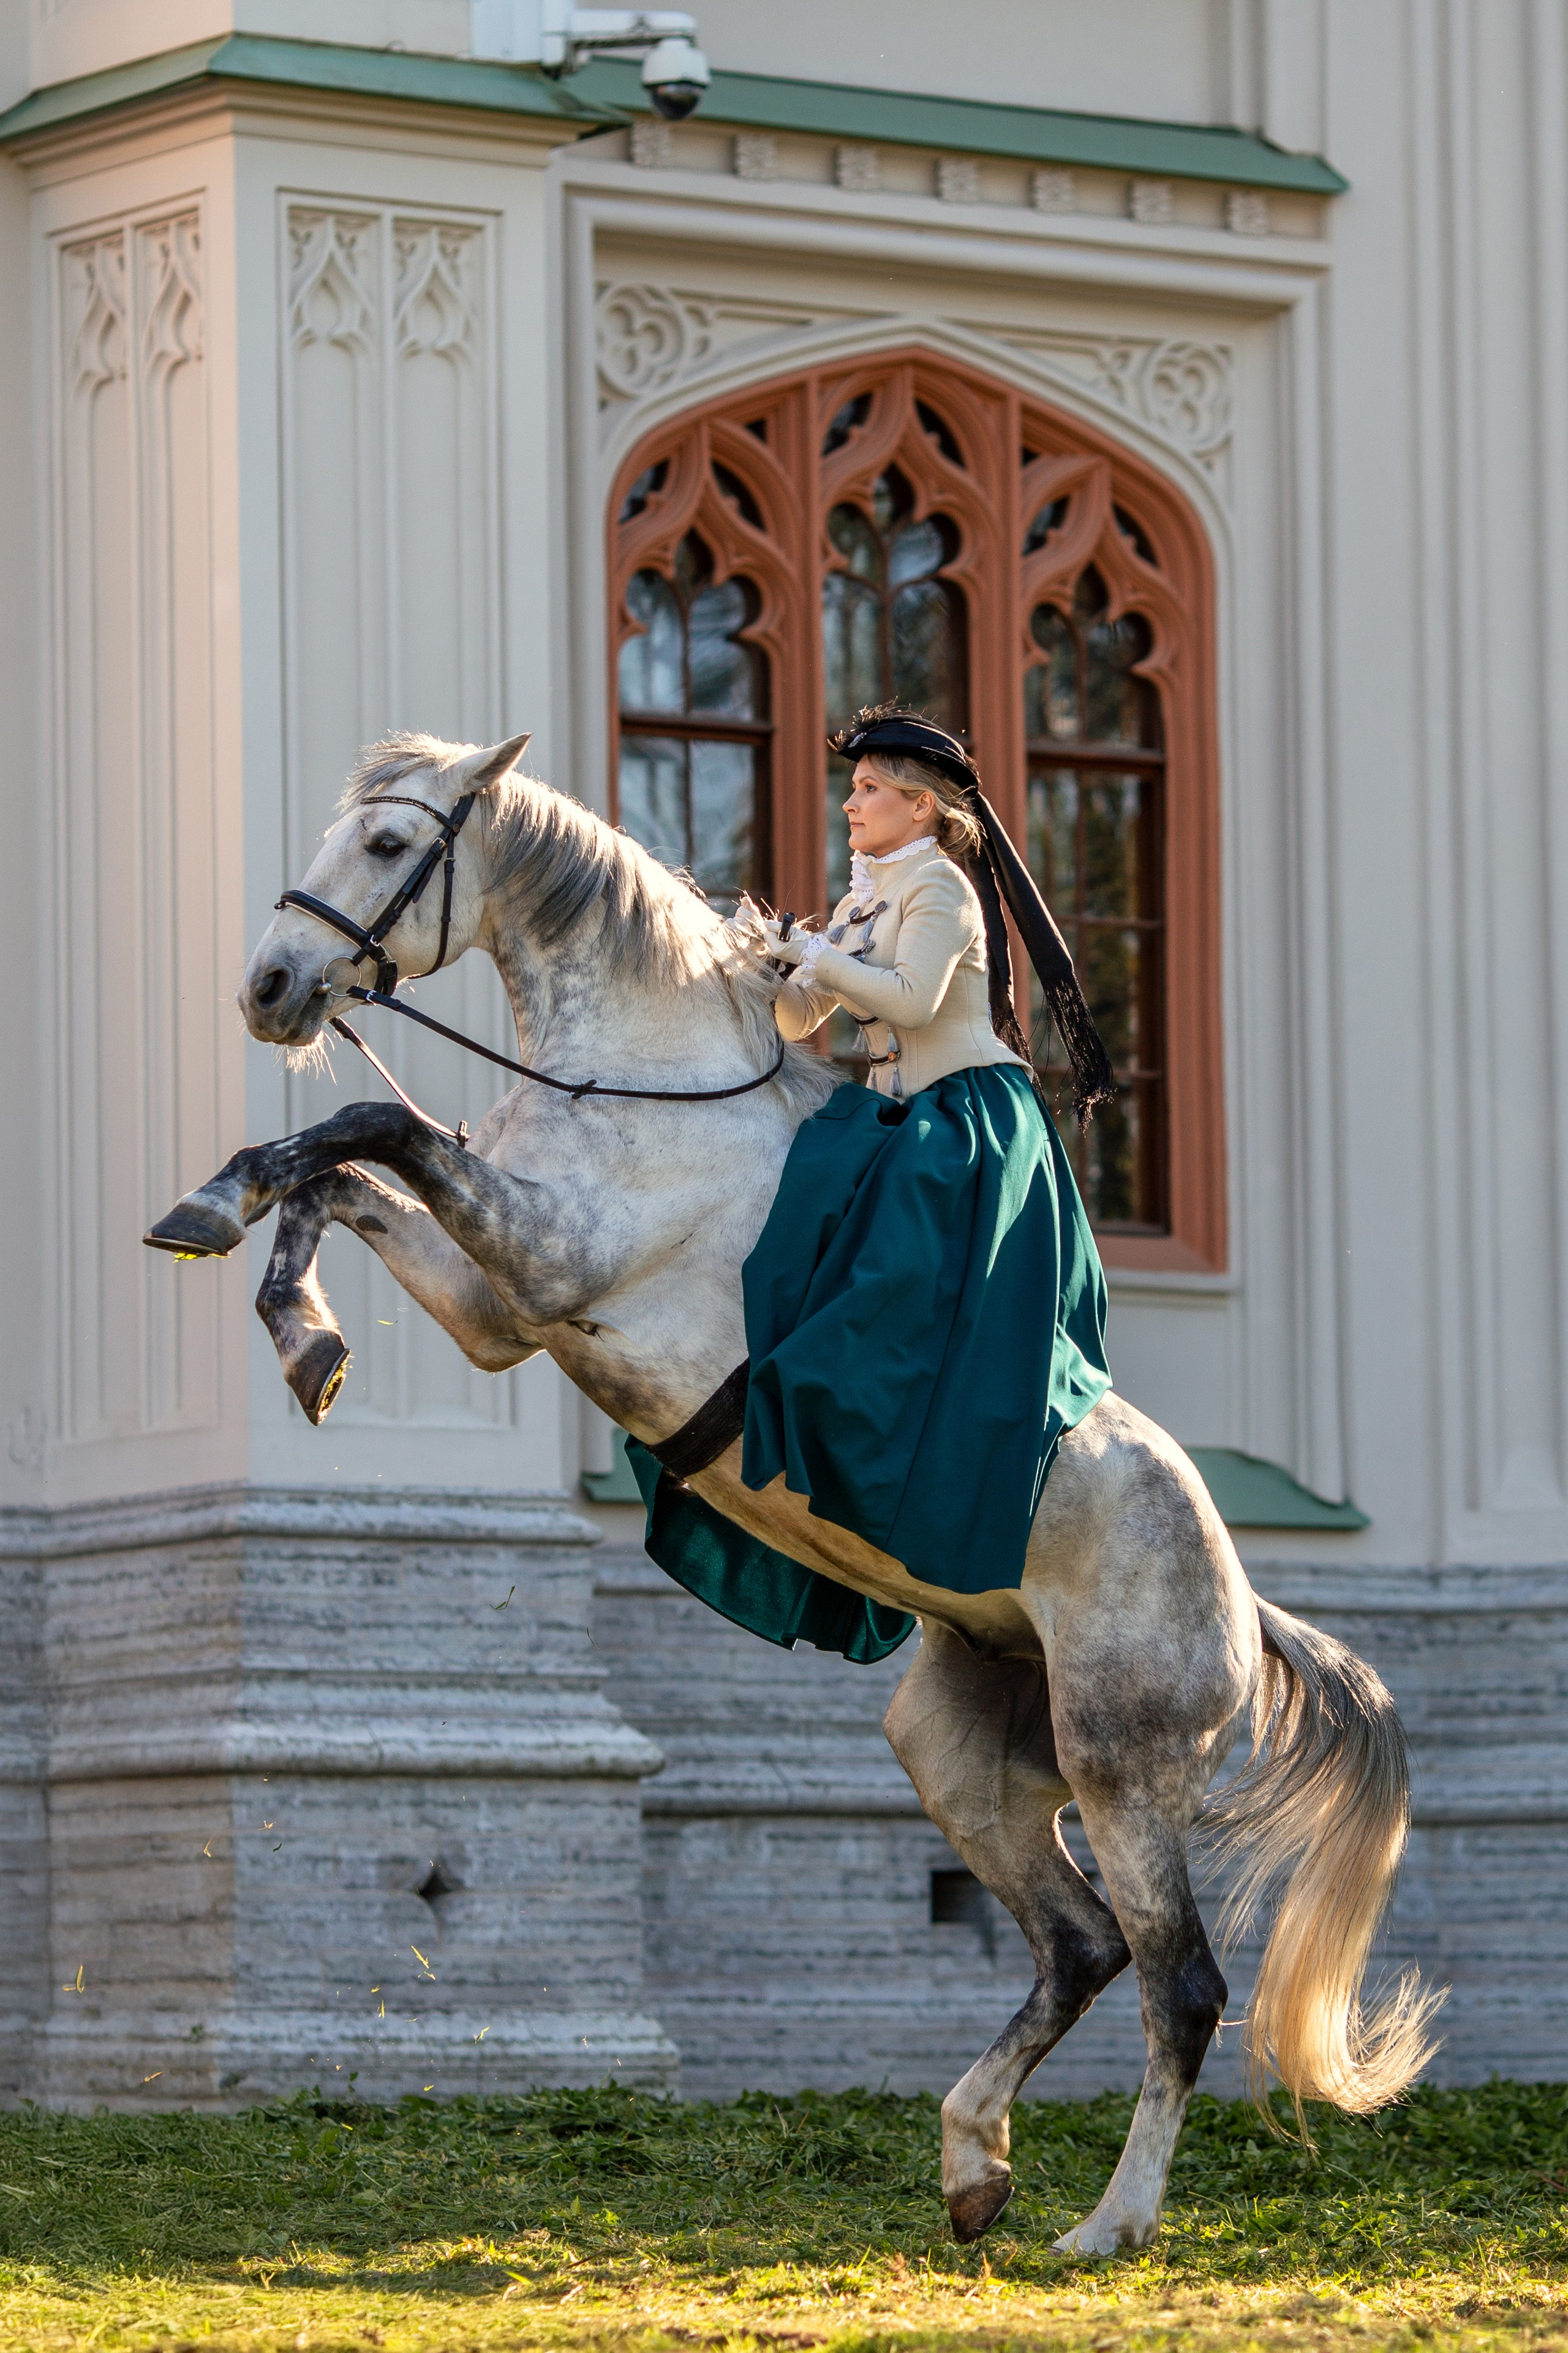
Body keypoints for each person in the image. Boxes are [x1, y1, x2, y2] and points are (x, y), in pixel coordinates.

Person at [626, 703, 1116, 1661]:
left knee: (879, 1282)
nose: (850, 803)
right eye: (853, 788)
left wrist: (818, 956)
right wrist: (768, 962)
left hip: (967, 1122)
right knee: (792, 1236)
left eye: (869, 789)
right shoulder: (862, 896)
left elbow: (908, 1000)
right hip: (902, 1115)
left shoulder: (941, 892)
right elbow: (808, 1017)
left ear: (923, 809)